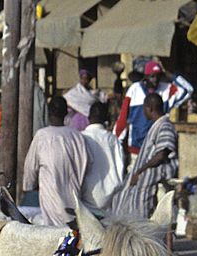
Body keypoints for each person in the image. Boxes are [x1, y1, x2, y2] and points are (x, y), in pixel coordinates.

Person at [22, 96, 88, 228]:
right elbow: (85, 165)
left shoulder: (42, 136)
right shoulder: (77, 136)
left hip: (51, 204)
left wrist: (28, 188)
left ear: (49, 112)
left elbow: (30, 170)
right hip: (75, 204)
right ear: (65, 113)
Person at [112, 93, 178, 219]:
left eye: (144, 108)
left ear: (150, 108)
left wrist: (140, 171)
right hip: (144, 180)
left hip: (151, 181)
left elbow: (162, 153)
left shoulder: (165, 126)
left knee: (144, 216)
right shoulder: (156, 126)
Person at [114, 59, 192, 157]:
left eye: (158, 76)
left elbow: (188, 89)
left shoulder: (167, 90)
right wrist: (116, 140)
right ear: (145, 77)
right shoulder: (135, 89)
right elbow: (123, 117)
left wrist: (167, 73)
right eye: (152, 76)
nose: (155, 79)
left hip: (157, 148)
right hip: (136, 149)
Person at [81, 102, 124, 209]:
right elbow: (121, 168)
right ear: (106, 118)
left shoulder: (81, 138)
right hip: (111, 201)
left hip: (86, 199)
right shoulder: (113, 140)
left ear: (89, 117)